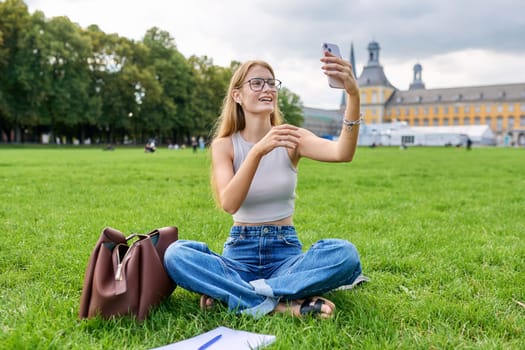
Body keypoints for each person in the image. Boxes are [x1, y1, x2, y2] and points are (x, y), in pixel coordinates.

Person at [164, 51, 363, 319]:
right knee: (176, 255)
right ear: (237, 95)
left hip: (286, 256)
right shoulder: (225, 146)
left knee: (345, 255)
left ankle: (239, 294)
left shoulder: (292, 137)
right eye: (256, 83)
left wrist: (353, 95)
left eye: (271, 83)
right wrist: (257, 151)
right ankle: (282, 305)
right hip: (238, 255)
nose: (267, 88)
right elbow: (229, 203)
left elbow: (343, 153)